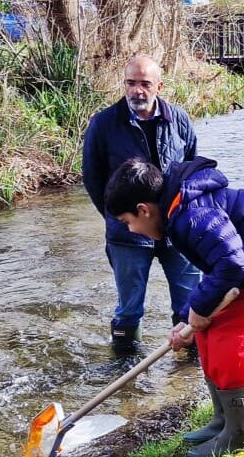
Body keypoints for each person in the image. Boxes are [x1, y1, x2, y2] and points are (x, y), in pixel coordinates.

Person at [103, 157, 244, 457]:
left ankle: (243, 433)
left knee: (228, 339)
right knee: (205, 333)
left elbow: (233, 262)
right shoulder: (178, 211)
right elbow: (216, 270)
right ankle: (224, 420)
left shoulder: (191, 215)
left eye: (128, 222)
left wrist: (200, 310)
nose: (133, 230)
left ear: (144, 209)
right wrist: (187, 318)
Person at [82, 56, 203, 353]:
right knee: (129, 309)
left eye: (145, 84)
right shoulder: (104, 124)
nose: (137, 90)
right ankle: (124, 365)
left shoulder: (179, 119)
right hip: (128, 237)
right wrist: (120, 217)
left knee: (191, 306)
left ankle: (189, 368)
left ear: (159, 87)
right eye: (131, 83)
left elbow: (192, 171)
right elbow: (93, 179)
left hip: (177, 231)